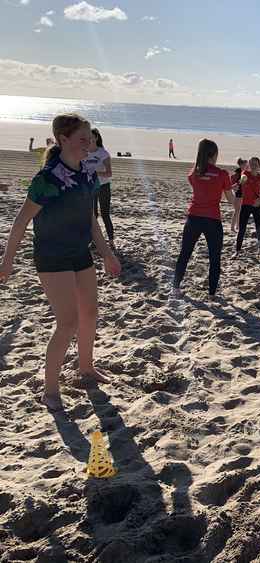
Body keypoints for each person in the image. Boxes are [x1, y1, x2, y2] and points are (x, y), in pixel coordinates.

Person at [1, 114, 122, 412]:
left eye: (91, 139)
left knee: (90, 313)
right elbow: (20, 222)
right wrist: (7, 262)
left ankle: (86, 368)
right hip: (52, 257)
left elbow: (90, 219)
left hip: (80, 253)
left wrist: (107, 254)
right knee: (67, 322)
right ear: (63, 140)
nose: (89, 145)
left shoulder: (88, 174)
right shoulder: (47, 180)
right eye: (83, 139)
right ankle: (50, 389)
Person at [173, 139, 234, 296]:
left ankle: (175, 288)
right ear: (213, 154)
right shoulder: (222, 174)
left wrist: (225, 186)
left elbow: (204, 186)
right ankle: (212, 294)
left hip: (194, 217)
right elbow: (231, 200)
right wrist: (237, 192)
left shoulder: (193, 172)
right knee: (215, 257)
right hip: (212, 220)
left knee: (185, 253)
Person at [84, 128, 115, 246]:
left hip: (103, 186)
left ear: (96, 137)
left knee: (105, 214)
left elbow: (109, 173)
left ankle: (111, 240)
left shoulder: (103, 153)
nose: (90, 139)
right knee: (92, 215)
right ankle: (93, 240)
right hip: (90, 187)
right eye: (87, 137)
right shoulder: (84, 152)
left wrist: (95, 172)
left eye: (92, 136)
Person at [233, 156, 260, 258]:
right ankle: (237, 251)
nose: (253, 166)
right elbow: (242, 180)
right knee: (242, 229)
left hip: (257, 206)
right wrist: (239, 183)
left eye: (255, 164)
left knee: (259, 229)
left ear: (259, 166)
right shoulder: (245, 174)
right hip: (246, 205)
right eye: (251, 164)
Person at [230, 157, 248, 233]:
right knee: (237, 211)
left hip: (239, 193)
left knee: (238, 211)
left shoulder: (241, 172)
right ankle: (232, 227)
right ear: (241, 165)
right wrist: (239, 183)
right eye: (245, 165)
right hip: (237, 194)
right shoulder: (238, 173)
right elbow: (232, 184)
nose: (246, 166)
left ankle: (238, 226)